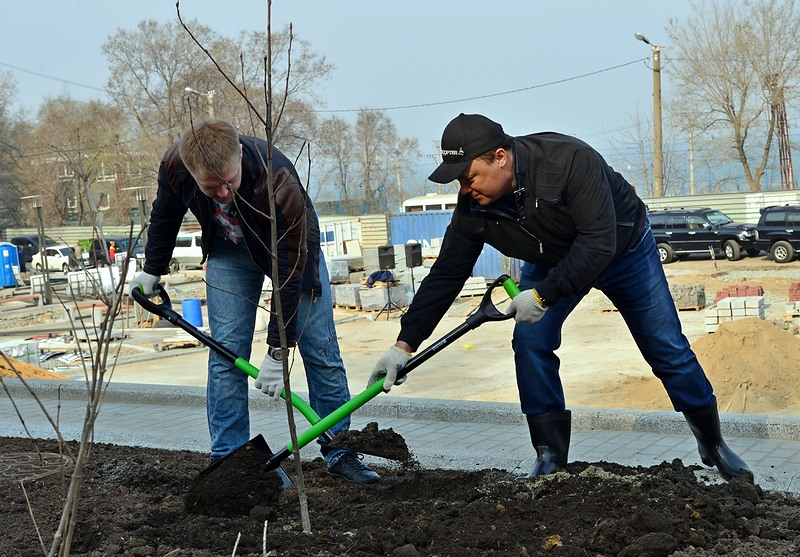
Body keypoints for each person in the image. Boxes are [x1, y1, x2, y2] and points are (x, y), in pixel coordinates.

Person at [369, 113, 751, 481]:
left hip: (623, 251)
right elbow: (446, 274)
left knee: (665, 346)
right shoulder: (474, 208)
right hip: (554, 260)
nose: (464, 190)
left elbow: (598, 243)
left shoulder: (568, 161)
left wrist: (544, 294)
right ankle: (549, 455)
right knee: (530, 341)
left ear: (500, 158)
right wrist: (404, 345)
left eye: (470, 178)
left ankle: (712, 442)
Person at [129, 119, 379, 484]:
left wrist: (278, 351)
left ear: (240, 154)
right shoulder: (175, 165)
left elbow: (292, 272)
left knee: (320, 350)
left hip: (292, 253)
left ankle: (340, 451)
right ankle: (228, 457)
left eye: (229, 182)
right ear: (192, 173)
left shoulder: (279, 182)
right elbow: (166, 214)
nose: (224, 193)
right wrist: (152, 269)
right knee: (226, 354)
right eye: (211, 188)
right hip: (229, 253)